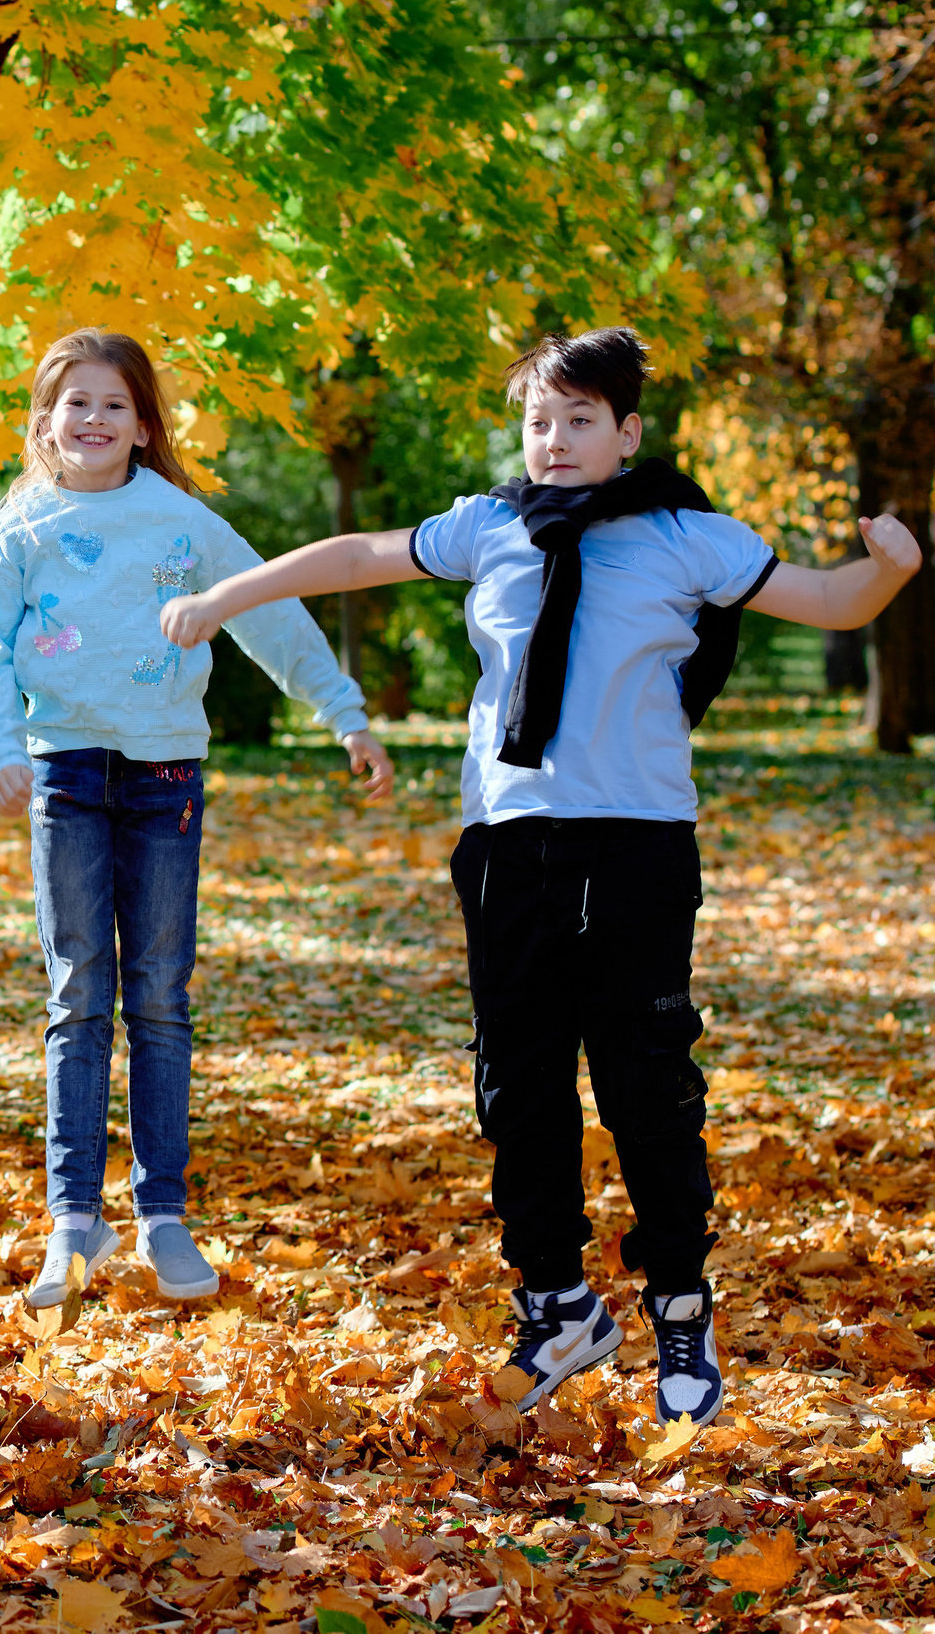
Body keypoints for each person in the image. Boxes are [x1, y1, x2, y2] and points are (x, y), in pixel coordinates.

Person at [159, 326, 921, 1425]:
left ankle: (679, 1303)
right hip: (507, 841)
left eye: (578, 420)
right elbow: (360, 555)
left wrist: (889, 567)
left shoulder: (687, 536)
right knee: (517, 1083)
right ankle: (557, 1302)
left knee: (645, 1083)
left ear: (627, 432)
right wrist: (226, 596)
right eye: (537, 421)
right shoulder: (491, 525)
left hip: (635, 841)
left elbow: (832, 601)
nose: (553, 439)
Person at [0, 330, 392, 1312]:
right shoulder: (21, 526)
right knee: (77, 995)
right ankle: (72, 1217)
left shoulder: (181, 521)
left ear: (144, 424)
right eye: (75, 402)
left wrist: (345, 715)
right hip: (63, 776)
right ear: (44, 420)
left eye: (114, 404)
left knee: (158, 998)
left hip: (165, 777)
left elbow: (272, 614)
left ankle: (163, 1211)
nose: (93, 418)